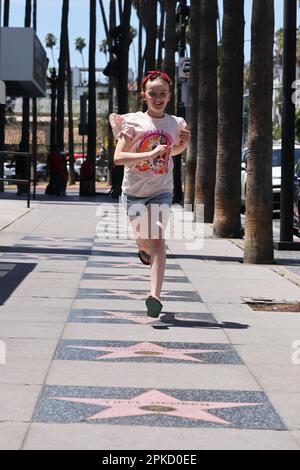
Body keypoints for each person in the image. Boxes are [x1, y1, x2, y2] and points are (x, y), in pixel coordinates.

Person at [109, 71, 191, 318]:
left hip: (162, 191)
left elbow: (171, 152)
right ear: (144, 96)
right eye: (153, 94)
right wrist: (149, 154)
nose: (158, 98)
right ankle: (142, 250)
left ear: (169, 95)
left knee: (158, 238)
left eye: (163, 94)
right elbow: (118, 158)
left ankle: (155, 296)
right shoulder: (133, 123)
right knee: (145, 241)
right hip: (134, 192)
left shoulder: (176, 123)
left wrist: (183, 145)